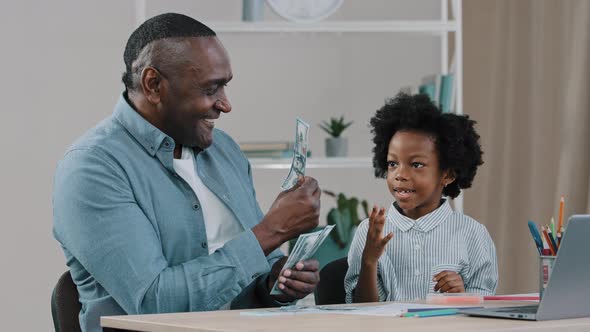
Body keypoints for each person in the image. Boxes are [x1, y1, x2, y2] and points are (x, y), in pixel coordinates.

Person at [53, 13, 321, 332]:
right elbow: (155, 303)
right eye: (211, 89)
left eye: (225, 86)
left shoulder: (225, 151)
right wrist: (270, 232)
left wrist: (277, 283)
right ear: (154, 85)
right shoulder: (93, 168)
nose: (225, 104)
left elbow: (255, 270)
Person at [345, 93, 498, 303]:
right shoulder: (369, 233)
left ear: (448, 174)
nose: (400, 174)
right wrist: (369, 262)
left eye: (416, 165)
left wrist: (462, 295)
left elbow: (484, 304)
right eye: (392, 164)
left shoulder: (473, 234)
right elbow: (361, 310)